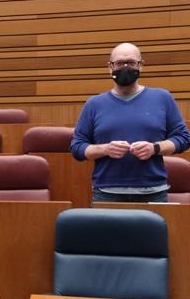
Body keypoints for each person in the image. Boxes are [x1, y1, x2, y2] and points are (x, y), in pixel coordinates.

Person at [72, 42, 190, 203]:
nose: (125, 67)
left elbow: (183, 138)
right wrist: (105, 149)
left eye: (131, 63)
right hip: (106, 193)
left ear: (141, 65)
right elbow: (77, 147)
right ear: (110, 67)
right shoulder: (94, 104)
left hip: (153, 192)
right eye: (120, 63)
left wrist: (154, 148)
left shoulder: (163, 98)